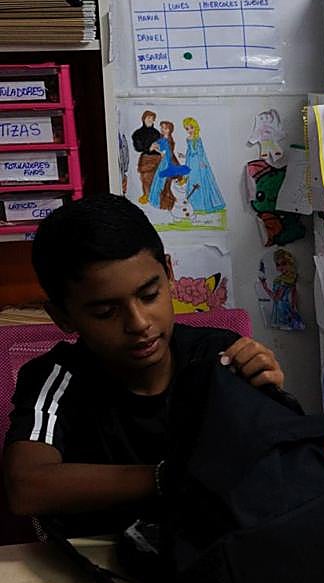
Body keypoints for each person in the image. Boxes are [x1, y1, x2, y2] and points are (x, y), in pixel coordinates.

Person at [2, 194, 284, 536]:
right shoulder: (56, 377)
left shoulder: (217, 355)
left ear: (168, 273)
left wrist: (271, 401)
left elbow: (271, 468)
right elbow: (28, 487)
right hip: (95, 567)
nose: (139, 323)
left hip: (208, 554)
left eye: (150, 296)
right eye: (106, 312)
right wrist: (168, 477)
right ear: (62, 316)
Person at [181, 116, 226, 215]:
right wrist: (184, 156)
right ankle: (194, 205)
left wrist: (202, 162)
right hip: (191, 161)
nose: (189, 130)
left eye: (191, 127)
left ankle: (204, 205)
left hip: (198, 161)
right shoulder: (188, 138)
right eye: (187, 128)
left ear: (195, 127)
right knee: (192, 180)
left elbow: (201, 151)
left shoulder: (198, 138)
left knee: (201, 180)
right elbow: (189, 151)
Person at [131, 109, 160, 205]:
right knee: (146, 178)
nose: (150, 120)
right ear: (143, 119)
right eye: (148, 118)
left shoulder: (156, 133)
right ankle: (147, 195)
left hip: (158, 158)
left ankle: (156, 196)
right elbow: (138, 147)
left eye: (152, 119)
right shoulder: (137, 133)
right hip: (146, 158)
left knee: (157, 178)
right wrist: (149, 148)